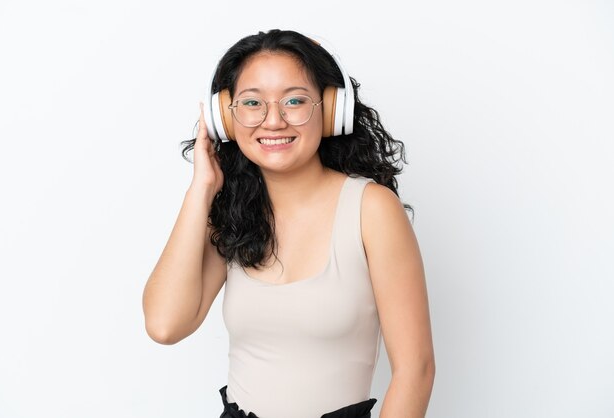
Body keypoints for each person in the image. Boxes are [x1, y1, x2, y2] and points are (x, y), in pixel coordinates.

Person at [142, 29, 435, 418]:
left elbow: (416, 370)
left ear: (331, 110)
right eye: (252, 103)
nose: (273, 120)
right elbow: (165, 325)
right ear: (225, 121)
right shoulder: (230, 213)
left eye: (294, 100)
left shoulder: (371, 209)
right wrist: (202, 189)